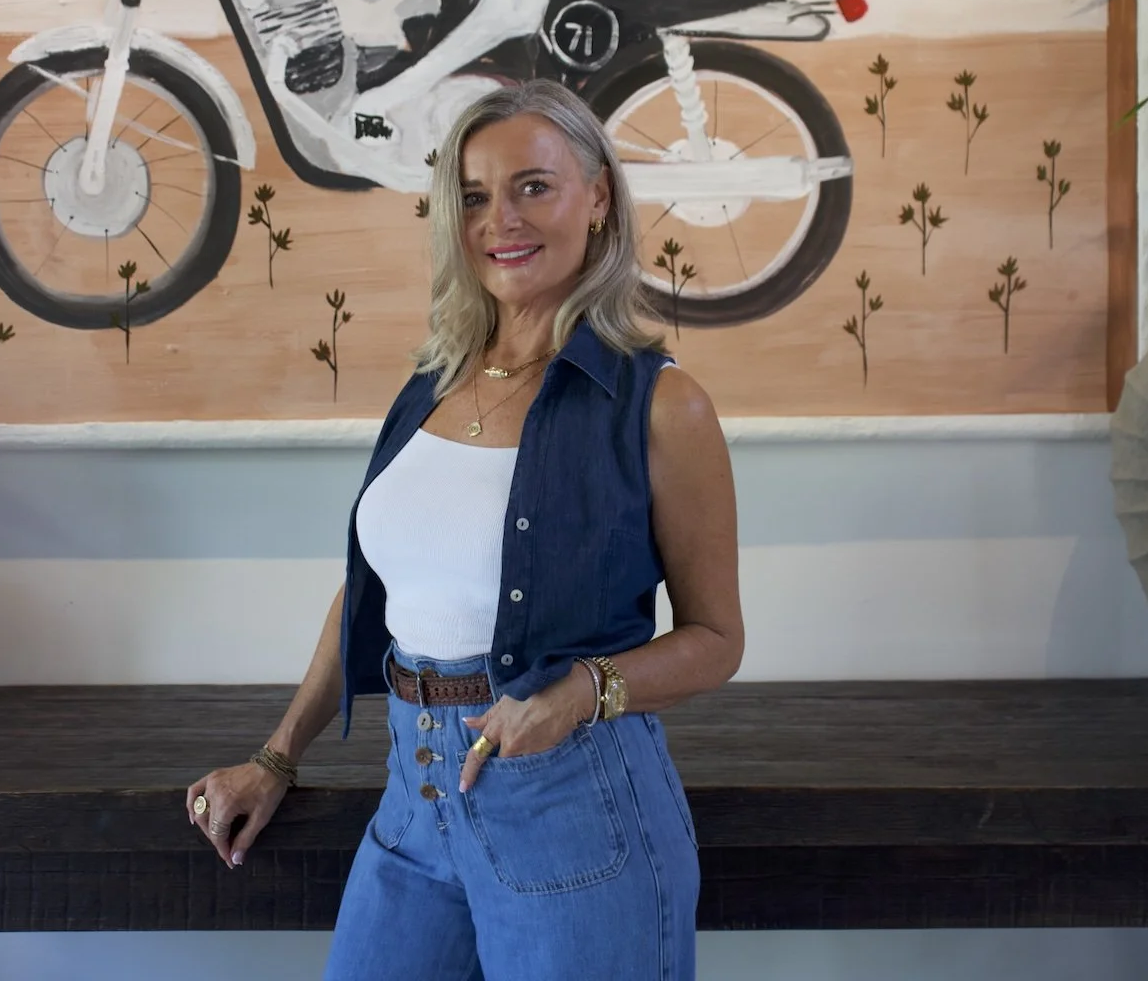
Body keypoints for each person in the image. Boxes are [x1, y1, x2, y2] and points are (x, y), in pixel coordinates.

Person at [186, 79, 743, 980]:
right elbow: (376, 591)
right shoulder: (434, 383)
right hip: (413, 801)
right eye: (475, 196)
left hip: (575, 805)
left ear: (599, 197)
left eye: (534, 186)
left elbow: (717, 641)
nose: (500, 221)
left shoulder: (659, 404)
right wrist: (276, 757)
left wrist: (579, 693)